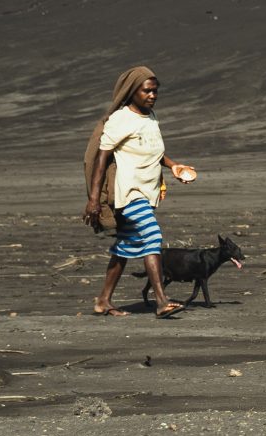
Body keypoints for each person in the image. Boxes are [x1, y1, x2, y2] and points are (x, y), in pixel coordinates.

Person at [82, 65, 193, 317]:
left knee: (126, 246)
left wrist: (174, 166)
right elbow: (101, 157)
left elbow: (154, 151)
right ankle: (161, 301)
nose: (152, 95)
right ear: (132, 91)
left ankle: (103, 301)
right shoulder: (121, 119)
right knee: (152, 236)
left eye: (155, 91)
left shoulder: (150, 116)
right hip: (129, 192)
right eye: (147, 91)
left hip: (148, 190)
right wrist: (93, 199)